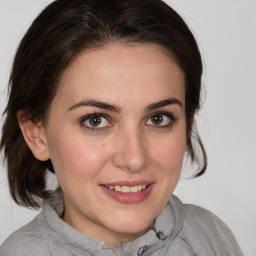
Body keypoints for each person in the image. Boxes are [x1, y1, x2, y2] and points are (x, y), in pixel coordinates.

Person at [0, 0, 244, 255]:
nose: (135, 159)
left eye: (158, 118)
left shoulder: (209, 235)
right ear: (37, 134)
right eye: (96, 120)